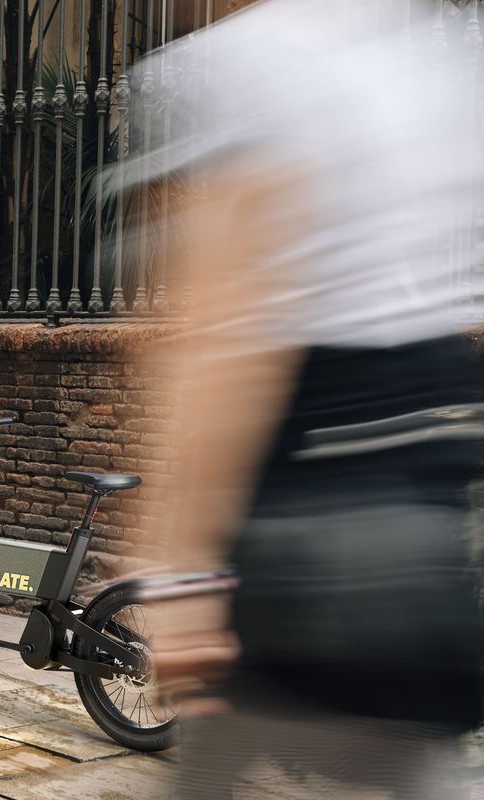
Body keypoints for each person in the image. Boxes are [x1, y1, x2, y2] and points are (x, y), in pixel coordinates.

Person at [126, 2, 484, 797]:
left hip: (303, 472)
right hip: (423, 473)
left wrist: (182, 575)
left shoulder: (251, 60)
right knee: (411, 755)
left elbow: (228, 335)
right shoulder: (437, 62)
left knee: (221, 747)